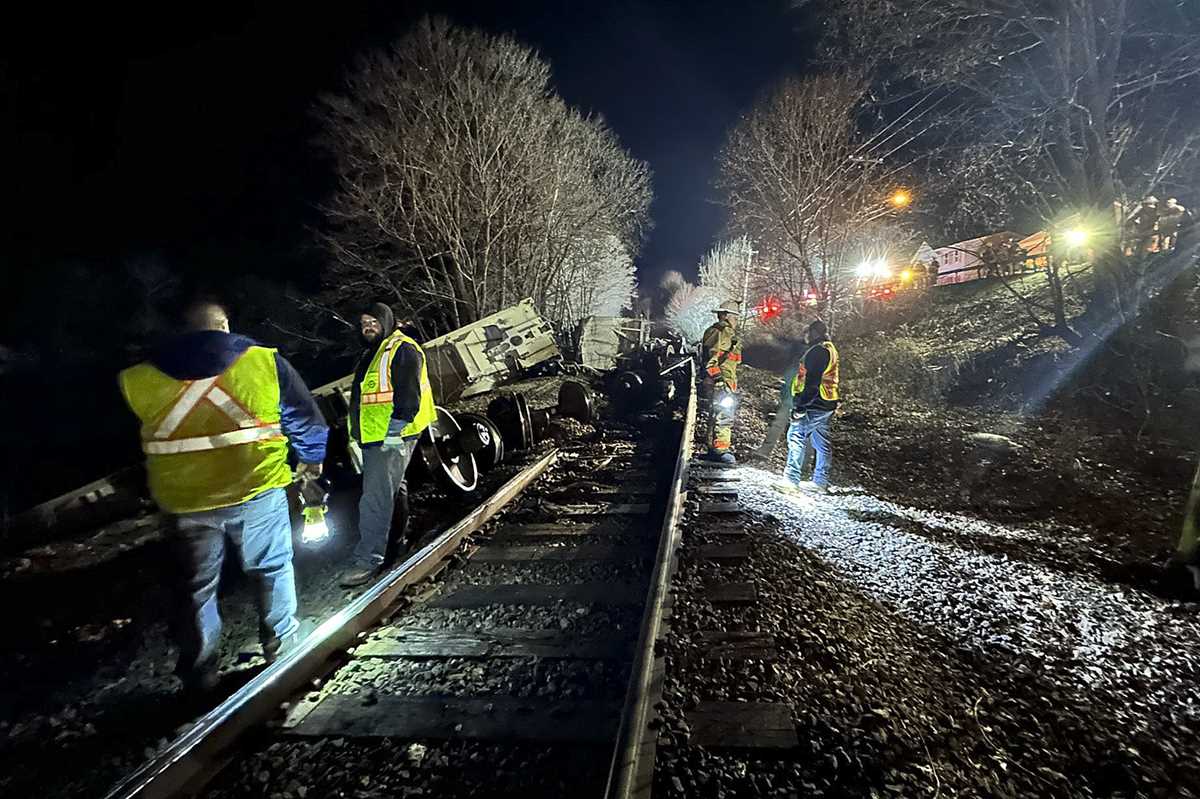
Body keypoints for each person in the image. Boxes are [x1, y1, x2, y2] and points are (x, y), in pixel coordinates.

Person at [118, 300, 328, 694]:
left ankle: (200, 674)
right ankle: (282, 651)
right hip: (257, 489)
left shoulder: (137, 378)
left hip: (184, 503)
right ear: (225, 326)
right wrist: (311, 463)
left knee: (195, 589)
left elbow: (125, 446)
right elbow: (305, 418)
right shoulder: (264, 362)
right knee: (271, 569)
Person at [340, 302, 436, 587]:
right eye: (363, 323)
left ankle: (368, 560)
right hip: (376, 437)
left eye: (372, 321)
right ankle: (397, 542)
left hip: (392, 436)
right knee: (394, 490)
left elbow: (409, 395)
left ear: (386, 321)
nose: (367, 327)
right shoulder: (374, 352)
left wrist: (394, 432)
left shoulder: (401, 348)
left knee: (375, 498)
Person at [781, 320, 840, 494]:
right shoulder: (830, 348)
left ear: (814, 333)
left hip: (814, 403)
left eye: (808, 332)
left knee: (796, 435)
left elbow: (812, 381)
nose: (806, 336)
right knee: (821, 442)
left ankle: (791, 480)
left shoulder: (817, 352)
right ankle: (820, 481)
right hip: (828, 402)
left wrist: (801, 405)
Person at [700, 300, 743, 464]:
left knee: (716, 413)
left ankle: (713, 448)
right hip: (722, 381)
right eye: (735, 318)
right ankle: (720, 450)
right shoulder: (723, 332)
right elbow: (712, 359)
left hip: (722, 380)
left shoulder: (715, 331)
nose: (736, 321)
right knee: (724, 415)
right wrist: (719, 380)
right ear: (726, 316)